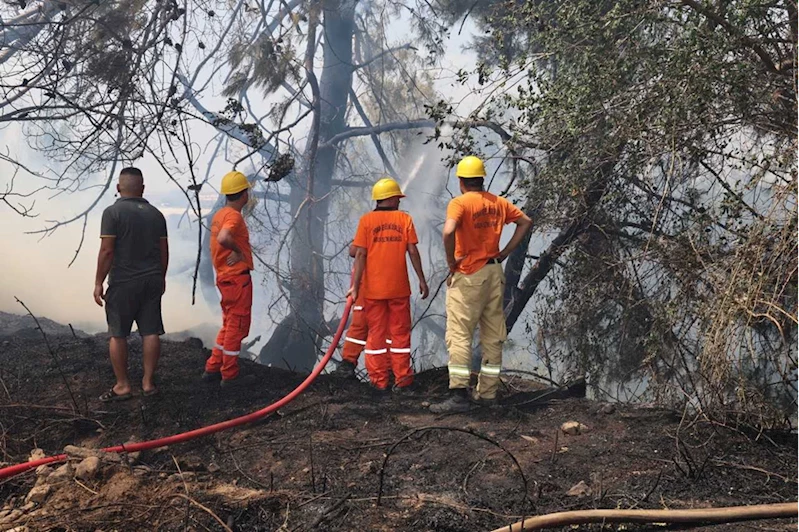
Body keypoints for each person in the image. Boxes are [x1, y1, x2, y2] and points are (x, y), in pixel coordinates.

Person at [429, 156, 532, 413]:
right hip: (494, 273)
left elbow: (448, 231)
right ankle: (487, 394)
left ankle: (458, 396)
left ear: (462, 181)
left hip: (469, 275)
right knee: (493, 336)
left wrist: (452, 263)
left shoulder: (459, 203)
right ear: (482, 179)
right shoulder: (497, 202)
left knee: (460, 335)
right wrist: (505, 252)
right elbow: (525, 222)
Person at [347, 177, 429, 394]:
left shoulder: (366, 221)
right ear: (392, 198)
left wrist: (355, 287)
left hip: (373, 291)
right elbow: (412, 251)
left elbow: (359, 254)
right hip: (399, 289)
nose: (400, 201)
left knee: (376, 336)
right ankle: (402, 381)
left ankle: (379, 382)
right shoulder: (405, 220)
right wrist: (421, 279)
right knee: (400, 335)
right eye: (398, 198)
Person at [94, 167, 168, 402]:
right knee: (150, 331)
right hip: (152, 280)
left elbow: (107, 251)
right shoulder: (156, 215)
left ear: (118, 188)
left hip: (123, 282)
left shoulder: (112, 213)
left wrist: (98, 282)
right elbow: (164, 252)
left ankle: (123, 386)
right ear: (142, 189)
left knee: (118, 334)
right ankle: (147, 383)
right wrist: (161, 277)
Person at [203, 170, 255, 388]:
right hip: (236, 280)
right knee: (237, 326)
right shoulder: (233, 217)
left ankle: (213, 367)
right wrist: (239, 251)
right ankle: (230, 374)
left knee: (228, 324)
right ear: (243, 195)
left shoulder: (220, 215)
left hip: (225, 279)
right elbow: (224, 238)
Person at [331, 244, 367, 378]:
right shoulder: (400, 227)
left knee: (359, 326)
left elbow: (354, 251)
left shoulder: (369, 225)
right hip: (389, 288)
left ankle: (347, 366)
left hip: (368, 288)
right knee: (386, 331)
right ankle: (389, 372)